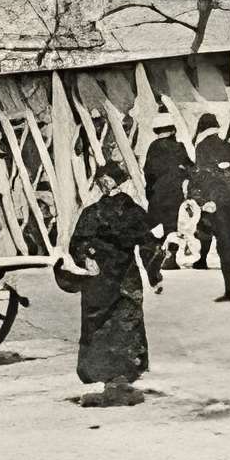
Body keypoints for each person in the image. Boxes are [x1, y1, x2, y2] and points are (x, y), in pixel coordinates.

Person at [54, 160, 163, 404]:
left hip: (99, 279)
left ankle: (108, 377)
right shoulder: (133, 212)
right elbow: (148, 245)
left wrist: (86, 259)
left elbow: (77, 244)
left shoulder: (92, 212)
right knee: (126, 324)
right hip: (125, 277)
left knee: (100, 324)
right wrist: (155, 276)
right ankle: (122, 378)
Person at [187, 113, 230, 303]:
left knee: (225, 247)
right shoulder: (229, 148)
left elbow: (203, 177)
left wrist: (204, 200)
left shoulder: (202, 148)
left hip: (215, 205)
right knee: (229, 245)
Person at [141, 118, 194, 260]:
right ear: (172, 130)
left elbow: (148, 171)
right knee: (172, 227)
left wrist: (150, 191)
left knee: (155, 226)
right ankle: (171, 258)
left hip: (157, 194)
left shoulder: (153, 147)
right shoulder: (178, 147)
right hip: (174, 194)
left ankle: (155, 255)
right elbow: (191, 168)